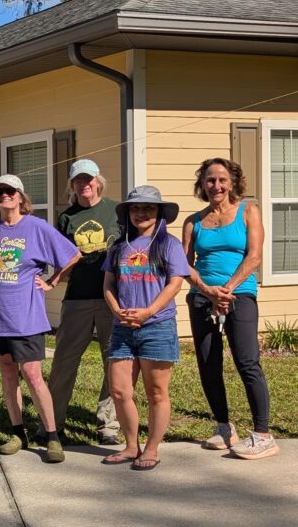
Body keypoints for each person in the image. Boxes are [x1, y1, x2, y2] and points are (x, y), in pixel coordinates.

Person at [0, 173, 80, 464]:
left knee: (33, 374)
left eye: (10, 191)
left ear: (21, 197)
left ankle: (52, 436)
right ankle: (17, 434)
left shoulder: (36, 228)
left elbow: (72, 254)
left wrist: (52, 280)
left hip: (25, 317)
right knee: (8, 374)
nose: (4, 196)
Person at [182, 157, 278, 460]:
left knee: (247, 362)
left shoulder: (249, 211)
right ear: (202, 184)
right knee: (208, 364)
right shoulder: (193, 221)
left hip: (240, 296)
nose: (216, 186)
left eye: (222, 180)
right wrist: (208, 291)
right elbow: (184, 265)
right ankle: (224, 427)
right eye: (210, 180)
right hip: (201, 298)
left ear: (233, 182)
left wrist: (227, 289)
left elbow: (254, 256)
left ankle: (263, 434)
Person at [101, 186, 189, 471]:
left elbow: (175, 282)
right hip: (123, 328)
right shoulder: (118, 246)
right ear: (128, 212)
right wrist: (117, 311)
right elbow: (109, 284)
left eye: (148, 208)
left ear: (159, 212)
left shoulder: (169, 245)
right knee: (119, 390)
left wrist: (149, 311)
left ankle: (151, 449)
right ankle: (130, 446)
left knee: (156, 393)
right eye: (136, 208)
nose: (141, 212)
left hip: (157, 326)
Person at [41, 158, 122, 446]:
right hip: (77, 298)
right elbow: (61, 258)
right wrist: (51, 280)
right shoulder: (67, 218)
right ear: (72, 186)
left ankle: (108, 426)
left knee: (114, 362)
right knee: (63, 362)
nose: (84, 185)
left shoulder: (117, 211)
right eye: (78, 181)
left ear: (98, 181)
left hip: (113, 298)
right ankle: (53, 424)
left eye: (88, 179)